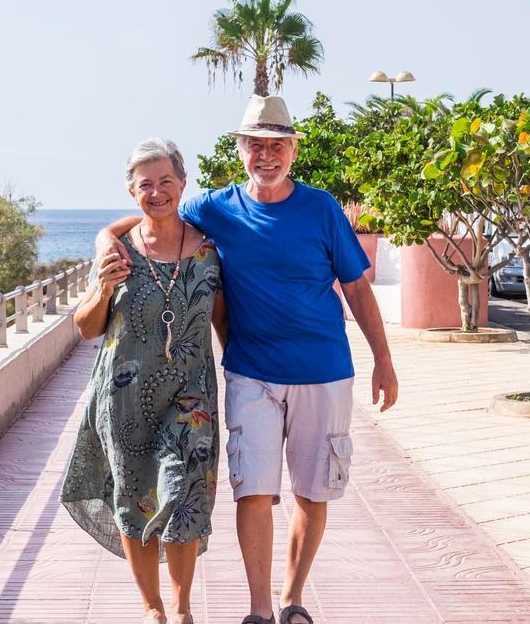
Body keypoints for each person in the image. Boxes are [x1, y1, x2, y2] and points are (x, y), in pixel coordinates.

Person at [97, 96, 398, 624]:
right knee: (253, 491)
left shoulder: (322, 208)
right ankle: (259, 610)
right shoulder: (215, 207)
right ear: (241, 151)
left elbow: (356, 286)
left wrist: (384, 360)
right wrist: (105, 237)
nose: (266, 155)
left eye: (277, 145)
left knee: (311, 492)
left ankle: (292, 601)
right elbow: (153, 211)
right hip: (250, 373)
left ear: (292, 151)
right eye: (256, 145)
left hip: (324, 372)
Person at [61, 137, 226, 624]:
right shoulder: (118, 253)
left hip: (190, 395)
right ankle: (152, 608)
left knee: (185, 487)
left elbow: (224, 321)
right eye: (145, 185)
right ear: (132, 193)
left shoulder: (209, 252)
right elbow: (87, 327)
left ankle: (181, 608)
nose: (157, 192)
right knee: (134, 497)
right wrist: (104, 286)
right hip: (124, 395)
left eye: (166, 181)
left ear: (183, 183)